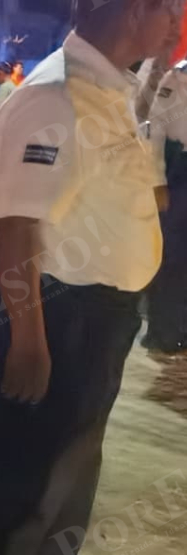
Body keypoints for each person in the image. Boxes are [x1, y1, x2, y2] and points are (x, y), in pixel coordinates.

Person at [0, 0, 177, 555]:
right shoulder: (51, 97)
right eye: (170, 11)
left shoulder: (111, 87)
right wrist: (28, 338)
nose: (176, 26)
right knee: (19, 460)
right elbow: (16, 226)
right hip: (53, 309)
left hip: (100, 313)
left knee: (71, 459)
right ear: (134, 10)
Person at [146, 58, 187, 354]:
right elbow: (156, 126)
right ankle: (163, 331)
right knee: (171, 254)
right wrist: (157, 178)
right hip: (179, 169)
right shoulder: (176, 74)